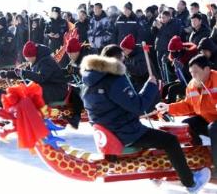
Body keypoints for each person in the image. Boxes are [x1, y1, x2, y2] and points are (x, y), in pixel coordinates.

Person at [81, 54, 211, 193]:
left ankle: (160, 173)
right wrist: (150, 85)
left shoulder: (87, 85)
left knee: (156, 136)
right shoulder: (113, 80)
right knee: (170, 141)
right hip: (126, 133)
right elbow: (138, 105)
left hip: (110, 134)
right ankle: (191, 183)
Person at [156, 54, 217, 180]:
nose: (193, 75)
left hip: (214, 123)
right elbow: (188, 105)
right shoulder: (191, 85)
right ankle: (200, 156)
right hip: (207, 119)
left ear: (206, 70)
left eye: (196, 72)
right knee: (187, 125)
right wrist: (168, 107)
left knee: (213, 128)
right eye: (191, 72)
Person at [0, 41, 67, 104]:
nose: (28, 60)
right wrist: (8, 74)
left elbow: (41, 78)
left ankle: (31, 110)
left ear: (34, 55)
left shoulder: (46, 62)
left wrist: (24, 73)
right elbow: (23, 73)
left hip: (57, 90)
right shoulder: (36, 60)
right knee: (23, 85)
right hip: (47, 86)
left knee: (31, 91)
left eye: (29, 58)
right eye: (26, 58)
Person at [61, 38, 92, 129]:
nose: (70, 56)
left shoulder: (87, 56)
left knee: (76, 91)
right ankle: (73, 115)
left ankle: (76, 118)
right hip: (83, 84)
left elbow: (89, 72)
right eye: (68, 53)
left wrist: (76, 70)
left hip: (95, 84)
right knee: (72, 89)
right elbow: (68, 70)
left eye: (72, 53)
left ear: (78, 51)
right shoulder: (74, 59)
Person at [161, 36, 198, 103]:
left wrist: (182, 68)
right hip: (182, 81)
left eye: (173, 51)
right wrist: (168, 64)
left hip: (190, 82)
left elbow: (192, 74)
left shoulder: (189, 57)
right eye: (170, 51)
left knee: (172, 89)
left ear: (179, 50)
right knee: (165, 87)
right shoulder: (177, 56)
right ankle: (162, 105)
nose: (171, 53)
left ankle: (170, 108)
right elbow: (173, 72)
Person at [151, 11, 182, 81]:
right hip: (159, 48)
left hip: (168, 49)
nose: (162, 19)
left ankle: (169, 80)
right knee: (160, 66)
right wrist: (153, 26)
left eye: (164, 18)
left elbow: (172, 34)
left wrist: (161, 27)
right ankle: (164, 80)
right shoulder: (160, 23)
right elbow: (153, 33)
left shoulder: (174, 23)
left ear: (169, 17)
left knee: (167, 66)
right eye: (161, 17)